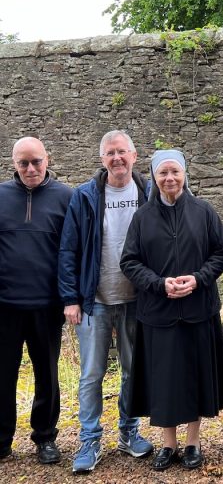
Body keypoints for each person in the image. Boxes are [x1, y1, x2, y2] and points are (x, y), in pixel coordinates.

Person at [120, 149, 223, 471]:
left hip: (198, 309)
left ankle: (193, 442)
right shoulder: (142, 217)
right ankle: (168, 444)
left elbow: (222, 252)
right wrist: (158, 283)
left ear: (185, 174)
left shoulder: (204, 211)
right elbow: (129, 261)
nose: (169, 178)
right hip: (159, 311)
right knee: (164, 380)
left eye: (175, 172)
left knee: (196, 376)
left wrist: (197, 279)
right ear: (154, 177)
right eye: (163, 173)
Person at [59, 130, 153, 473]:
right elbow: (68, 249)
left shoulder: (149, 192)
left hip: (136, 300)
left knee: (133, 371)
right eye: (110, 153)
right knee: (92, 373)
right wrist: (70, 298)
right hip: (93, 300)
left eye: (122, 152)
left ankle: (129, 433)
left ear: (134, 155)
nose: (117, 158)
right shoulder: (84, 196)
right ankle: (89, 439)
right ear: (102, 159)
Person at [0, 137, 72, 464]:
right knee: (3, 375)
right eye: (23, 163)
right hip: (5, 306)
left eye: (36, 162)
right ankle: (1, 440)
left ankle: (45, 438)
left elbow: (73, 251)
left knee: (47, 375)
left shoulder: (66, 198)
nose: (30, 169)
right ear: (13, 163)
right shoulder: (0, 196)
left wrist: (71, 297)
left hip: (47, 305)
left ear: (48, 159)